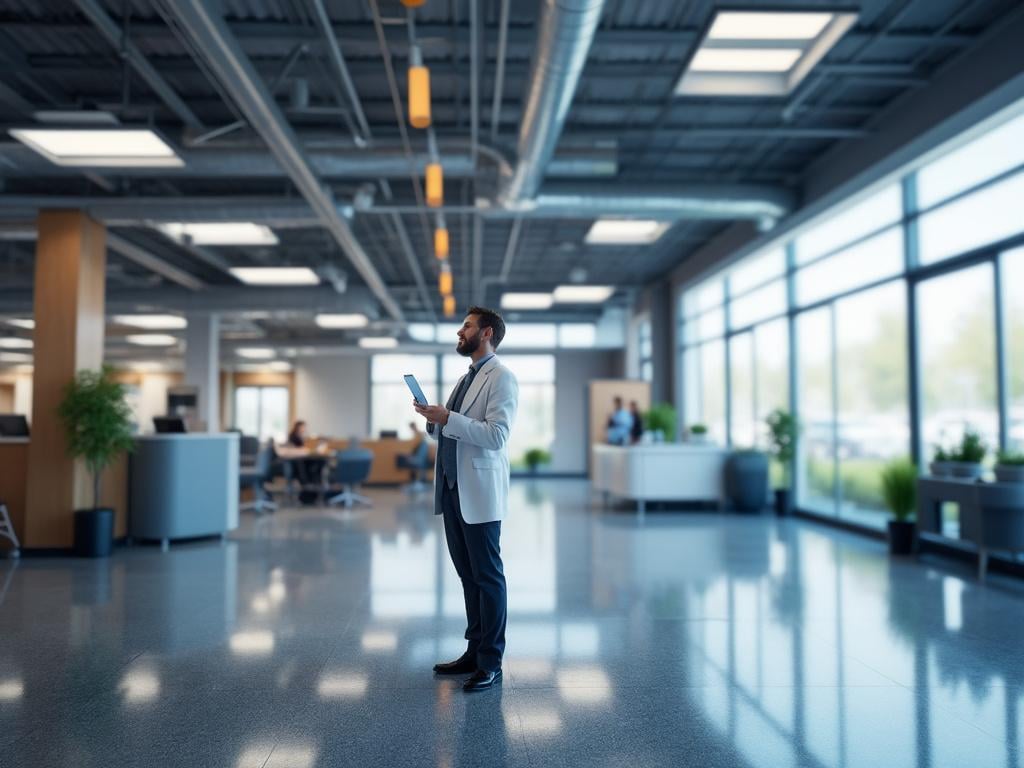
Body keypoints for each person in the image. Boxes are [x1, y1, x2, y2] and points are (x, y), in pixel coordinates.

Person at [413, 306, 519, 692]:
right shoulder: (466, 377)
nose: (461, 331)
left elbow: (496, 436)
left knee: (488, 577)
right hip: (453, 490)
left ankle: (491, 661)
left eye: (467, 326)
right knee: (468, 577)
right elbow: (454, 429)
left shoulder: (501, 378)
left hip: (479, 492)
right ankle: (473, 652)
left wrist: (448, 419)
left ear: (486, 332)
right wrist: (433, 419)